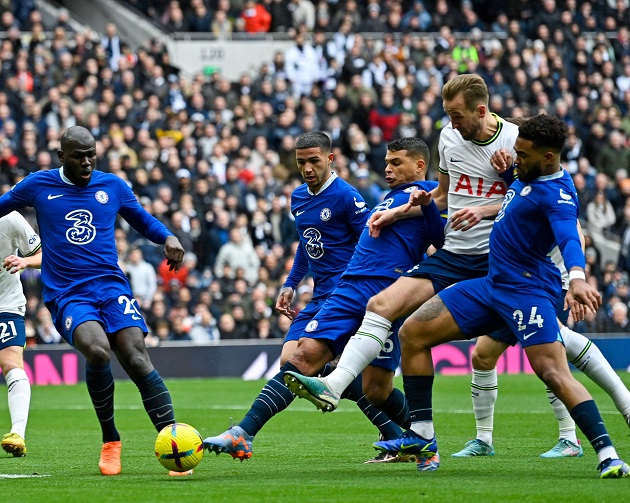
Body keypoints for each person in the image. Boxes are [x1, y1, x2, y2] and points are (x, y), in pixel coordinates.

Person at [373, 114, 629, 479]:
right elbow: (517, 200)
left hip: (527, 292)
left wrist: (577, 278)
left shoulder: (556, 194)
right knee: (412, 333)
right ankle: (423, 437)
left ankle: (608, 454)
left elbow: (568, 237)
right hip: (492, 286)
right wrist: (508, 175)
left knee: (553, 372)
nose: (515, 156)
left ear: (548, 158)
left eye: (522, 154)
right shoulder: (526, 177)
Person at [286, 74, 518, 472]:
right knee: (394, 315)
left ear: (481, 110)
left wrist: (507, 180)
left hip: (501, 257)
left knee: (552, 353)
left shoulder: (515, 140)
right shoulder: (449, 139)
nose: (452, 124)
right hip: (457, 252)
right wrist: (403, 209)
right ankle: (404, 427)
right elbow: (442, 198)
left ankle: (587, 440)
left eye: (457, 115)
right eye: (447, 115)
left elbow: (536, 198)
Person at [203, 131, 407, 463]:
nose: (308, 169)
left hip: (345, 295)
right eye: (301, 163)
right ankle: (398, 433)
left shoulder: (347, 197)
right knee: (297, 366)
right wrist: (290, 283)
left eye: (314, 161)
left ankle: (243, 433)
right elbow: (306, 244)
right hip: (320, 294)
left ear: (330, 158)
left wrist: (367, 291)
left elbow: (372, 242)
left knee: (300, 365)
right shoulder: (299, 197)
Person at [0, 126, 185, 476]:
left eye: (91, 154)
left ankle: (174, 443)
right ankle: (110, 440)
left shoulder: (112, 186)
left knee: (135, 354)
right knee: (98, 350)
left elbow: (142, 220)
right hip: (68, 293)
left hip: (111, 287)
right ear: (61, 157)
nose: (86, 162)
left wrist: (168, 236)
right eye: (78, 156)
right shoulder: (39, 185)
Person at [0, 212, 42, 457]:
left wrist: (25, 262)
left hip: (6, 305)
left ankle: (18, 432)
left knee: (10, 363)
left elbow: (46, 255)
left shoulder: (11, 219)